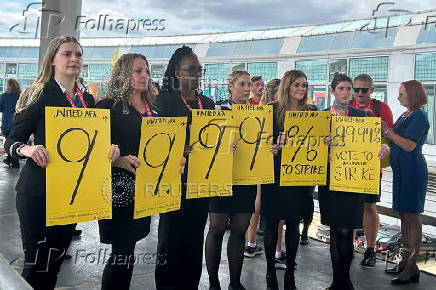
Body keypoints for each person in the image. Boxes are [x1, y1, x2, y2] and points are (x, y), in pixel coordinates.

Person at [4, 36, 119, 290]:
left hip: (70, 196)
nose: (74, 59)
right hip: (38, 193)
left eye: (78, 55)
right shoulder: (39, 93)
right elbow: (11, 140)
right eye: (67, 54)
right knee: (36, 267)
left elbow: (89, 144)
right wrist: (28, 149)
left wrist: (108, 151)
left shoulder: (86, 99)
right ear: (53, 60)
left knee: (54, 266)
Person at [153, 45, 215, 290]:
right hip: (172, 182)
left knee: (194, 240)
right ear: (178, 73)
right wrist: (178, 147)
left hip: (201, 183)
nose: (197, 73)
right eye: (192, 69)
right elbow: (155, 141)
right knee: (170, 240)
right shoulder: (163, 101)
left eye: (200, 69)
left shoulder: (207, 103)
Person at [319, 73, 389, 290]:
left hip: (354, 178)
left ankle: (345, 279)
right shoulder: (321, 117)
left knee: (347, 230)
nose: (346, 93)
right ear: (332, 91)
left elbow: (378, 143)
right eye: (341, 88)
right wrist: (322, 144)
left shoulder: (363, 116)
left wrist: (385, 148)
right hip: (330, 179)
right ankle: (336, 280)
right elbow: (308, 148)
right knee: (334, 230)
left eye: (348, 89)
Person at [96, 53, 156, 290]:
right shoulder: (107, 107)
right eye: (138, 71)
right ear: (123, 74)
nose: (145, 76)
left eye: (146, 71)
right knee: (121, 253)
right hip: (118, 191)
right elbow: (92, 151)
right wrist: (117, 159)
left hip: (146, 189)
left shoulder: (155, 108)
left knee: (128, 252)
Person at [261, 70, 317, 290]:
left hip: (299, 176)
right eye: (296, 85)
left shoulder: (312, 111)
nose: (301, 89)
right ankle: (269, 271)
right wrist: (271, 147)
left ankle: (291, 272)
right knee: (272, 223)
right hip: (274, 174)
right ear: (286, 86)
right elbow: (259, 142)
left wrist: (327, 140)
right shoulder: (271, 110)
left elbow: (320, 140)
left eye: (304, 85)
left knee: (294, 223)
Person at [207, 71, 257, 290]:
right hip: (221, 177)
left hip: (246, 177)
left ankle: (235, 283)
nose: (247, 89)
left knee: (240, 228)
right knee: (217, 227)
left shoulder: (258, 113)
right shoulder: (216, 109)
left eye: (249, 85)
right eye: (242, 84)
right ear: (230, 86)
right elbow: (206, 141)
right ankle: (213, 282)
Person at [382, 80, 429, 284]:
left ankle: (412, 266)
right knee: (403, 215)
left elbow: (409, 145)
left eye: (402, 94)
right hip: (402, 173)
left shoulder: (419, 115)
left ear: (412, 95)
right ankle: (404, 262)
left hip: (413, 173)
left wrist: (388, 132)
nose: (399, 97)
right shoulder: (405, 114)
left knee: (412, 218)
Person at [350, 74, 394, 267]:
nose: (359, 93)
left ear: (372, 90)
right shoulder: (347, 105)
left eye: (364, 90)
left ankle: (370, 248)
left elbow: (390, 136)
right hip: (348, 165)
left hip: (371, 167)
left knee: (369, 206)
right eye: (356, 89)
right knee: (351, 207)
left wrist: (381, 126)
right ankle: (348, 246)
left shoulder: (381, 108)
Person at [0, 78, 21, 168]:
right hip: (19, 123)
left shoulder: (3, 96)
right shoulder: (21, 96)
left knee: (9, 142)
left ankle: (15, 162)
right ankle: (9, 160)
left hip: (7, 123)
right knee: (15, 142)